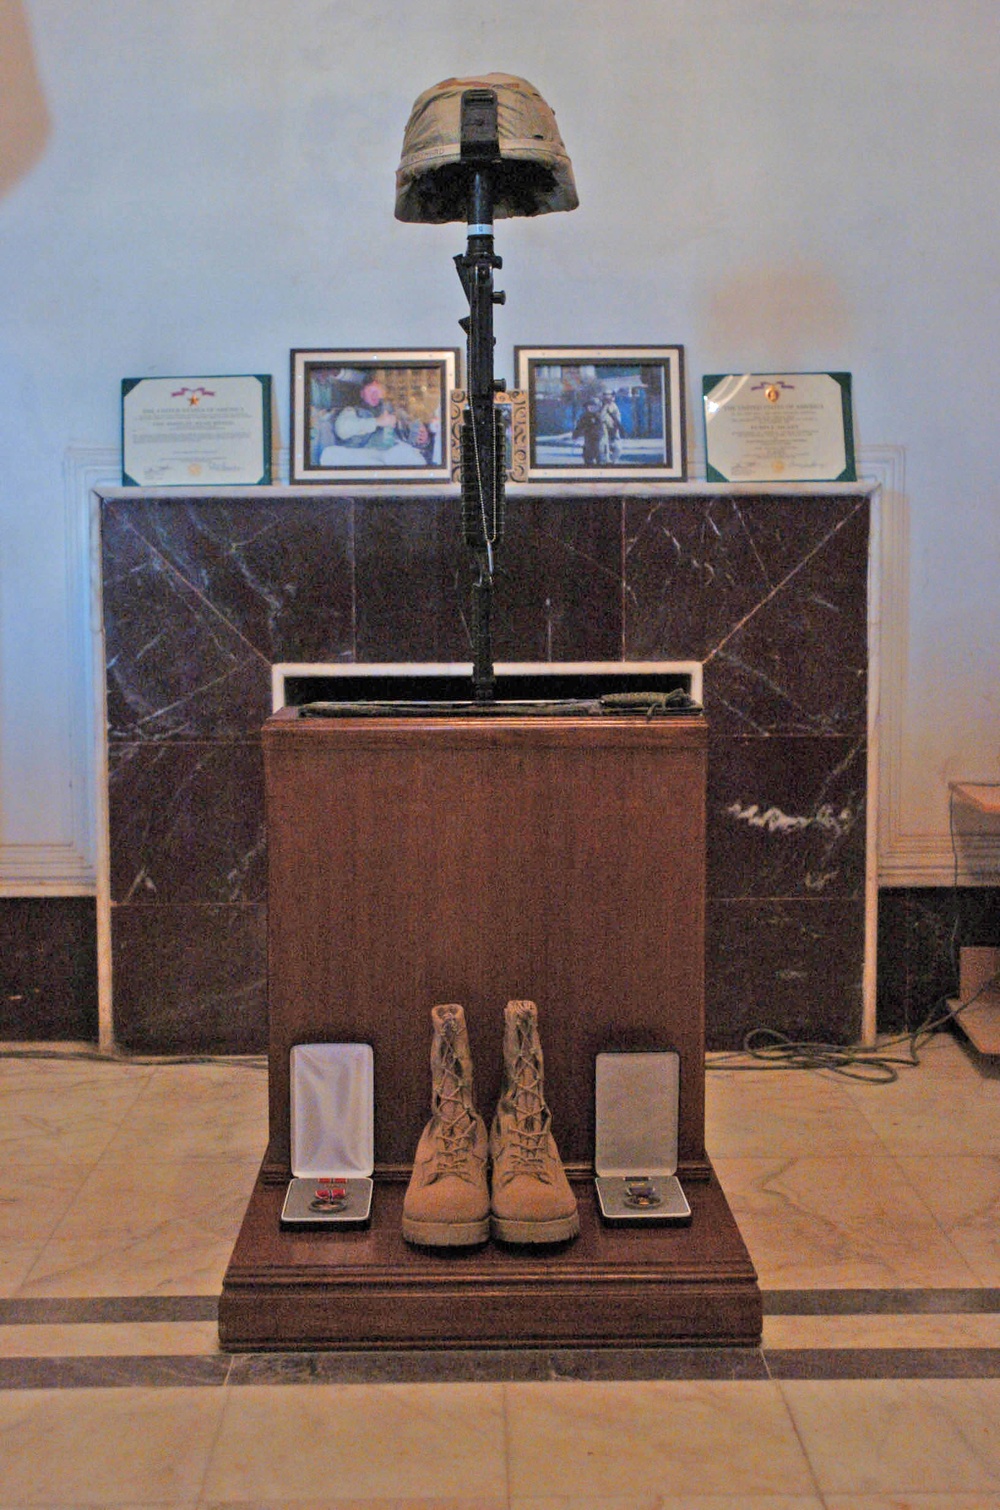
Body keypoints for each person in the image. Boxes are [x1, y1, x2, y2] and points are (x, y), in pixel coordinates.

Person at [572, 396, 605, 466]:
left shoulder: (599, 416)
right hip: (588, 438)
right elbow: (579, 426)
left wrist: (599, 434)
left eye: (594, 407)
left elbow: (601, 427)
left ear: (598, 407)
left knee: (599, 453)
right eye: (590, 407)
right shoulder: (584, 416)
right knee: (587, 454)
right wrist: (576, 434)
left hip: (597, 438)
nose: (592, 408)